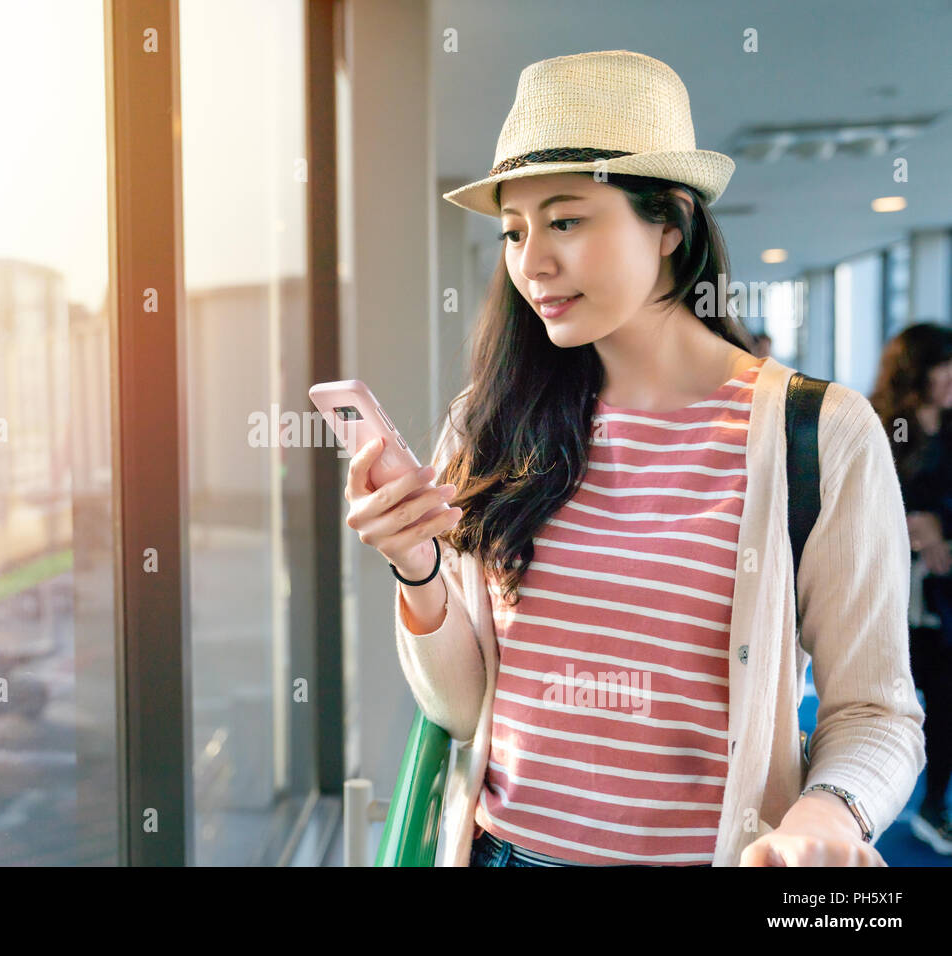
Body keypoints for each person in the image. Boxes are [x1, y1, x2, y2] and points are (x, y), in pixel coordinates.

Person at [346, 50, 923, 867]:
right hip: (502, 854)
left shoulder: (818, 433)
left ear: (670, 224)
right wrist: (416, 567)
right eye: (514, 230)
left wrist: (828, 816)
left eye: (566, 219)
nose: (531, 262)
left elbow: (877, 710)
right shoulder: (490, 423)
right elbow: (467, 707)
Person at [871, 322, 952, 853]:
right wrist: (912, 522)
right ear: (916, 372)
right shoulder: (886, 425)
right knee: (880, 705)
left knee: (945, 701)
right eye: (942, 365)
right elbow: (860, 500)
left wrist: (938, 526)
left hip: (942, 594)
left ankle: (931, 805)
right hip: (891, 596)